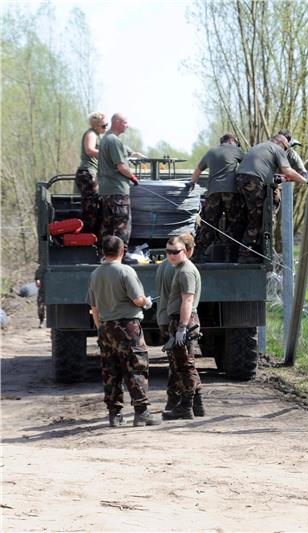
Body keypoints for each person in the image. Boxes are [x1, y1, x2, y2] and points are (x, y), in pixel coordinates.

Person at [86, 235, 159, 427]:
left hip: (106, 327)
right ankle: (141, 413)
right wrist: (147, 302)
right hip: (127, 326)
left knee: (110, 371)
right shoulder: (126, 271)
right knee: (135, 367)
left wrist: (100, 327)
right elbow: (137, 299)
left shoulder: (95, 274)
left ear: (103, 251)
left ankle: (115, 415)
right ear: (122, 251)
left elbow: (94, 307)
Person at [234, 133, 307, 264]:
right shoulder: (278, 149)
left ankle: (245, 248)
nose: (285, 152)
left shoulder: (259, 147)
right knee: (258, 216)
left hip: (239, 180)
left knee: (247, 214)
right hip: (253, 181)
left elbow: (265, 173)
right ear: (281, 144)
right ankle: (245, 252)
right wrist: (305, 181)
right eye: (286, 148)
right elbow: (288, 171)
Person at [161, 233, 205, 420]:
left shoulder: (186, 270)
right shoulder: (180, 268)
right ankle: (197, 404)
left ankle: (186, 406)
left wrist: (182, 327)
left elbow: (187, 300)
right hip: (180, 319)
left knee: (184, 367)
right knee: (187, 365)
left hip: (183, 320)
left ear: (186, 251)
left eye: (175, 252)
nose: (171, 255)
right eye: (168, 252)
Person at [188, 133, 245, 262]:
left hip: (213, 193)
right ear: (232, 141)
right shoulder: (236, 150)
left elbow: (198, 169)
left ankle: (198, 256)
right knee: (234, 223)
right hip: (230, 192)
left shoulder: (211, 152)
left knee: (208, 224)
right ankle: (232, 256)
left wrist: (192, 184)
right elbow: (248, 164)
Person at [97, 113, 141, 250]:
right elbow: (121, 167)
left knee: (108, 227)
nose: (127, 126)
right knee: (122, 226)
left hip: (106, 191)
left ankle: (105, 255)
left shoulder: (105, 139)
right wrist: (133, 177)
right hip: (118, 191)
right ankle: (121, 255)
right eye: (125, 122)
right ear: (116, 122)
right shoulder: (114, 141)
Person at [74, 112, 107, 239]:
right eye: (103, 125)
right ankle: (88, 237)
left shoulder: (97, 135)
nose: (105, 127)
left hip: (92, 173)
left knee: (94, 206)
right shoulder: (91, 134)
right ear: (96, 125)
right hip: (87, 173)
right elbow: (89, 150)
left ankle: (91, 236)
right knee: (91, 209)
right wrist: (106, 154)